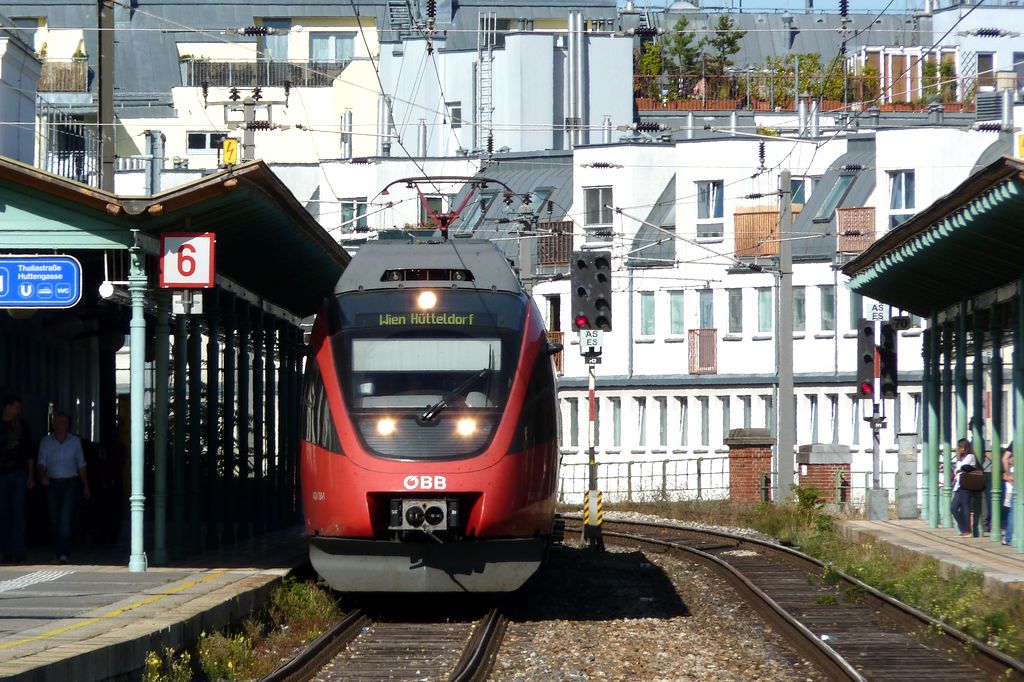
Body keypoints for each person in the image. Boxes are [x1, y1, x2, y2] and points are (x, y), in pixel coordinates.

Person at [37, 412, 90, 564]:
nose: (58, 425)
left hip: (70, 483)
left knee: (65, 519)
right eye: (56, 422)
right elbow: (41, 462)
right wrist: (43, 475)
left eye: (62, 422)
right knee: (54, 520)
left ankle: (64, 553)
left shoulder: (75, 442)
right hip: (52, 483)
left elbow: (81, 464)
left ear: (67, 425)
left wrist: (86, 485)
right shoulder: (46, 442)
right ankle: (57, 550)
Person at [0, 395, 34, 563]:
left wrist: (30, 475)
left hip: (19, 472)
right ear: (7, 406)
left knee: (18, 512)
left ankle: (18, 549)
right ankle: (5, 549)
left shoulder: (22, 425)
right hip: (2, 472)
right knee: (3, 512)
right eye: (16, 407)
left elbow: (29, 451)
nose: (18, 410)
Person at [951, 438, 978, 537]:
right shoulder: (962, 457)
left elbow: (961, 467)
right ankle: (963, 528)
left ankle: (967, 530)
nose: (958, 449)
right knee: (953, 507)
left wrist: (958, 469)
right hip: (959, 485)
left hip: (966, 485)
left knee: (965, 506)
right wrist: (958, 467)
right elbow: (957, 470)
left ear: (964, 447)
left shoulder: (970, 456)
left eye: (960, 447)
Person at [1004, 444, 1015, 546]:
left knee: (1013, 509)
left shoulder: (1015, 441)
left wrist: (1008, 474)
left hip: (1016, 479)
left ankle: (1009, 538)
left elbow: (1005, 459)